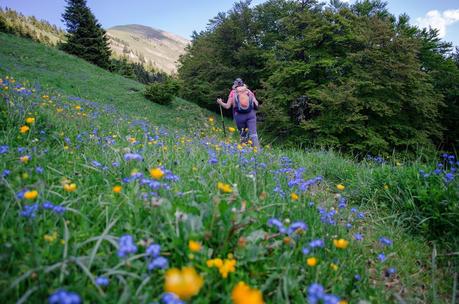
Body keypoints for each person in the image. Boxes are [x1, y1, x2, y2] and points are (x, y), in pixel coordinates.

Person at [217, 78, 260, 148]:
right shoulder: (248, 91)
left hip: (239, 116)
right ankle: (257, 152)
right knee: (253, 134)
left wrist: (220, 102)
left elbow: (227, 106)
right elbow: (256, 104)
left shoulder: (233, 92)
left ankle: (245, 152)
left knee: (243, 135)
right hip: (251, 115)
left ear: (235, 85)